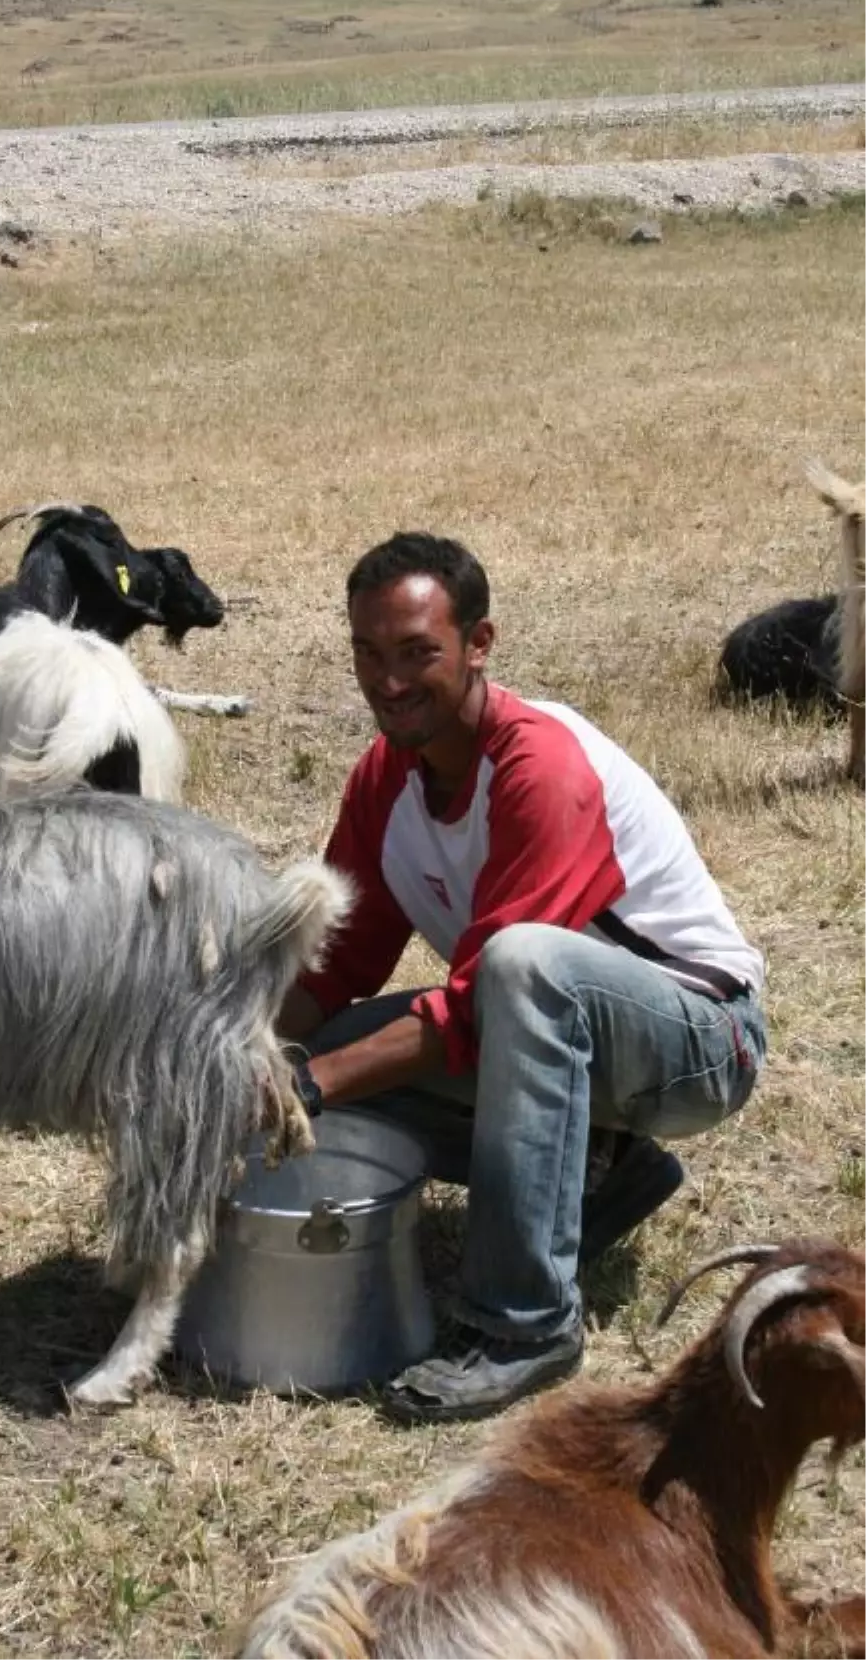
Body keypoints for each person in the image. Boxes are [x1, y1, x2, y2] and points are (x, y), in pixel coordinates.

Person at [279, 532, 766, 1425]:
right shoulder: (386, 778)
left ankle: (524, 1324)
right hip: (561, 1032)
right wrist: (238, 1055)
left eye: (417, 652)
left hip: (702, 1041)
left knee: (517, 966)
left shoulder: (541, 767)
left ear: (479, 644)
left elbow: (481, 1003)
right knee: (331, 1048)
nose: (389, 681)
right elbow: (336, 963)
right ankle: (598, 1174)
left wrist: (304, 1086)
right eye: (368, 653)